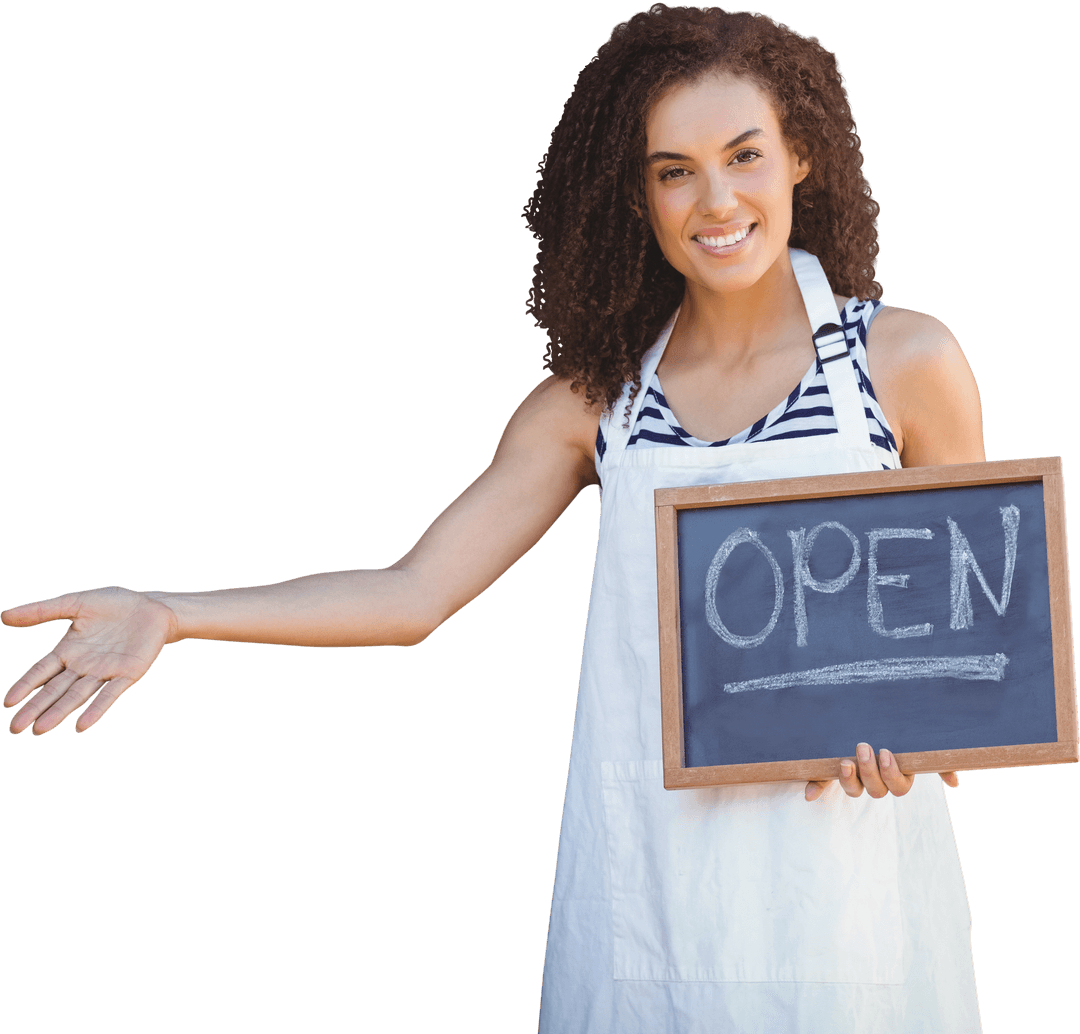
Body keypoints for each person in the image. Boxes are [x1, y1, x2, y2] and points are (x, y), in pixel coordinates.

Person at [3, 6, 985, 1031]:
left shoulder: (905, 365)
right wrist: (170, 612)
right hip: (652, 895)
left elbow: (980, 648)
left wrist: (913, 729)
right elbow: (412, 592)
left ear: (800, 157)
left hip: (851, 893)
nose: (716, 200)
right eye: (674, 170)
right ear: (638, 195)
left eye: (745, 155)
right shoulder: (595, 405)